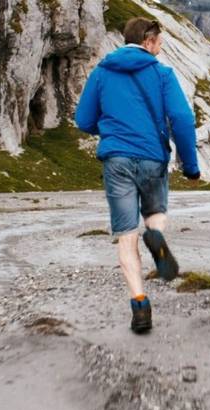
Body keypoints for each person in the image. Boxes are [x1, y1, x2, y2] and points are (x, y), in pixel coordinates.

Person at [75, 17, 200, 334]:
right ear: (148, 41)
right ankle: (155, 235)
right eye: (159, 43)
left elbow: (83, 119)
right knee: (155, 212)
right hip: (152, 159)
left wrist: (109, 130)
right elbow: (182, 119)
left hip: (116, 160)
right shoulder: (162, 74)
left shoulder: (102, 72)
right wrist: (191, 165)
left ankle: (140, 303)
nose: (160, 49)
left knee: (126, 235)